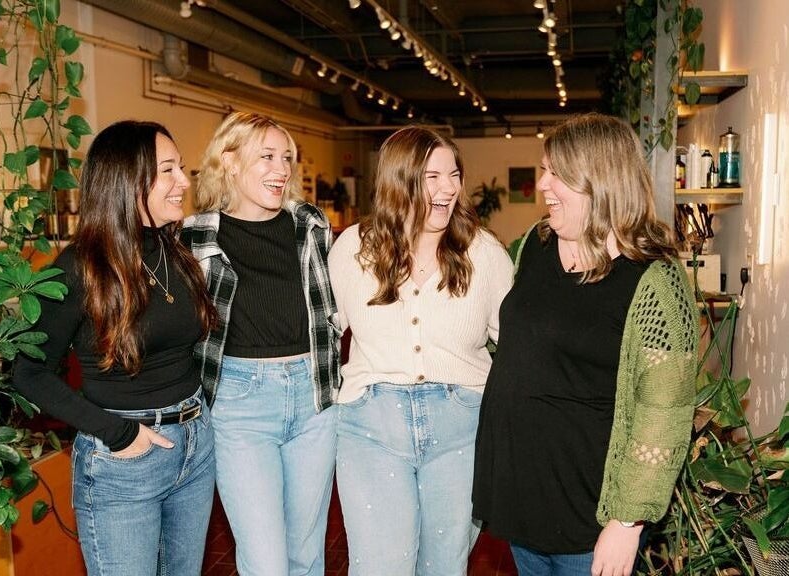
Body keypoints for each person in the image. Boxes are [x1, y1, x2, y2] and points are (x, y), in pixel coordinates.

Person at [472, 112, 699, 576]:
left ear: (601, 182)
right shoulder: (532, 247)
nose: (542, 186)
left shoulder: (653, 280)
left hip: (590, 520)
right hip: (523, 503)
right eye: (543, 170)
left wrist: (627, 522)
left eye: (557, 174)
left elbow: (664, 412)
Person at [13, 120, 217, 575]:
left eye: (181, 168)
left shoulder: (175, 251)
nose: (184, 181)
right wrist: (119, 434)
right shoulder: (79, 268)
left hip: (195, 444)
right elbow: (29, 373)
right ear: (128, 180)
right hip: (124, 460)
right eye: (169, 170)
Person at [329, 126, 513, 576]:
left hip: (461, 430)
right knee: (379, 568)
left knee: (444, 568)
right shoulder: (354, 248)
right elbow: (322, 333)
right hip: (371, 427)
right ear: (399, 180)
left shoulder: (484, 253)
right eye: (433, 176)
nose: (449, 188)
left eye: (454, 175)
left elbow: (516, 344)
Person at [180, 112, 339, 576]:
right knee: (266, 562)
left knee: (306, 555)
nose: (281, 169)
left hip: (315, 397)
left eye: (286, 158)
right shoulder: (194, 236)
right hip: (239, 403)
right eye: (266, 157)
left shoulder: (310, 225)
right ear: (229, 161)